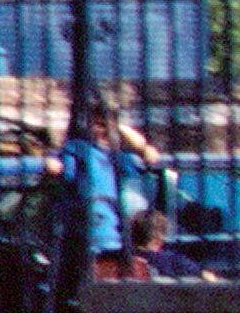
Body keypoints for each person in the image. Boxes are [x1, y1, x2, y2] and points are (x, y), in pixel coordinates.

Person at [46, 92, 164, 285]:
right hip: (90, 239)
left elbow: (151, 156)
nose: (102, 131)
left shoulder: (118, 156)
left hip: (120, 243)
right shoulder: (78, 149)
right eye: (98, 124)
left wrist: (119, 127)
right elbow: (58, 169)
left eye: (106, 125)